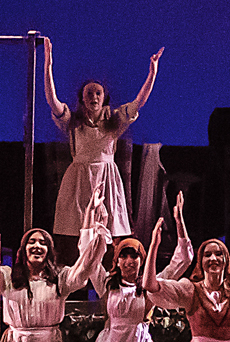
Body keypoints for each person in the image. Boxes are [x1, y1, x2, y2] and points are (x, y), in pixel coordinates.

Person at [41, 38, 163, 242]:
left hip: (106, 179)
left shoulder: (114, 121)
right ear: (82, 98)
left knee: (107, 233)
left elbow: (138, 103)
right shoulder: (73, 122)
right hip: (79, 180)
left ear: (104, 97)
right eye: (89, 93)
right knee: (77, 233)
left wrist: (152, 73)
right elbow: (52, 101)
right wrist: (48, 65)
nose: (94, 97)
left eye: (98, 93)